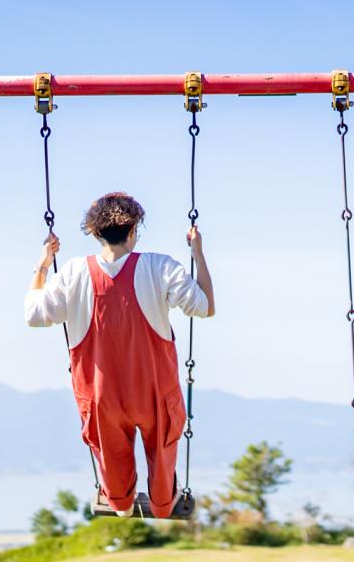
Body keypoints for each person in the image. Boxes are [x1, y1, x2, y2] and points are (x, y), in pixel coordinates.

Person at [25, 191, 214, 519]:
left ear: (95, 233)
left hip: (102, 396)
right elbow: (205, 307)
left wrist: (41, 265)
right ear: (133, 231)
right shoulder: (160, 266)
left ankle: (120, 502)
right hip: (154, 391)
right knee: (163, 448)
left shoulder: (72, 273)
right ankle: (161, 502)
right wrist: (198, 253)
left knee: (110, 459)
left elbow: (34, 314)